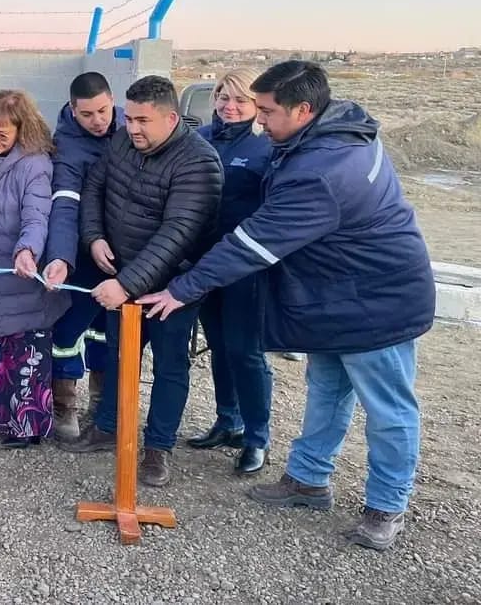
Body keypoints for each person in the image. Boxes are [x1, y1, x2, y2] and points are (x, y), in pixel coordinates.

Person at [137, 60, 435, 551]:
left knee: (388, 408)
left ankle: (386, 505)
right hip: (336, 296)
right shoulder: (321, 136)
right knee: (326, 388)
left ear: (303, 109)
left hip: (377, 301)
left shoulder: (324, 170)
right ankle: (308, 478)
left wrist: (181, 289)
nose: (259, 120)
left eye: (269, 111)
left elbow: (253, 244)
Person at [62, 76, 223, 491]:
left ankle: (158, 448)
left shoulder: (198, 162)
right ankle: (108, 426)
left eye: (142, 121)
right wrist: (93, 236)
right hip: (124, 277)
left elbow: (178, 234)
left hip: (172, 290)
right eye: (128, 118)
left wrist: (127, 285)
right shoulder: (122, 142)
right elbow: (95, 186)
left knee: (170, 367)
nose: (132, 128)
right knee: (118, 356)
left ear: (170, 118)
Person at [184, 69, 274, 475]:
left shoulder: (265, 147)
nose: (230, 106)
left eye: (240, 99)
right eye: (223, 97)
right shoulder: (199, 139)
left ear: (256, 105)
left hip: (244, 268)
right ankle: (228, 420)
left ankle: (257, 437)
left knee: (245, 351)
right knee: (219, 346)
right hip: (204, 264)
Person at [0, 90, 69, 449]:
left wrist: (27, 250)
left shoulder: (35, 164)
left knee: (25, 354)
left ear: (21, 131)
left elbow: (37, 216)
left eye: (2, 134)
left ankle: (26, 425)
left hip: (23, 277)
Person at [41, 72, 120, 440]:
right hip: (80, 254)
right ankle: (64, 405)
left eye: (103, 110)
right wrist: (59, 256)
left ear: (112, 100)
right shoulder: (67, 146)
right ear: (73, 110)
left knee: (108, 331)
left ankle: (102, 405)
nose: (97, 120)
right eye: (87, 114)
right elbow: (64, 205)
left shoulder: (128, 130)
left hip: (123, 256)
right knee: (68, 330)